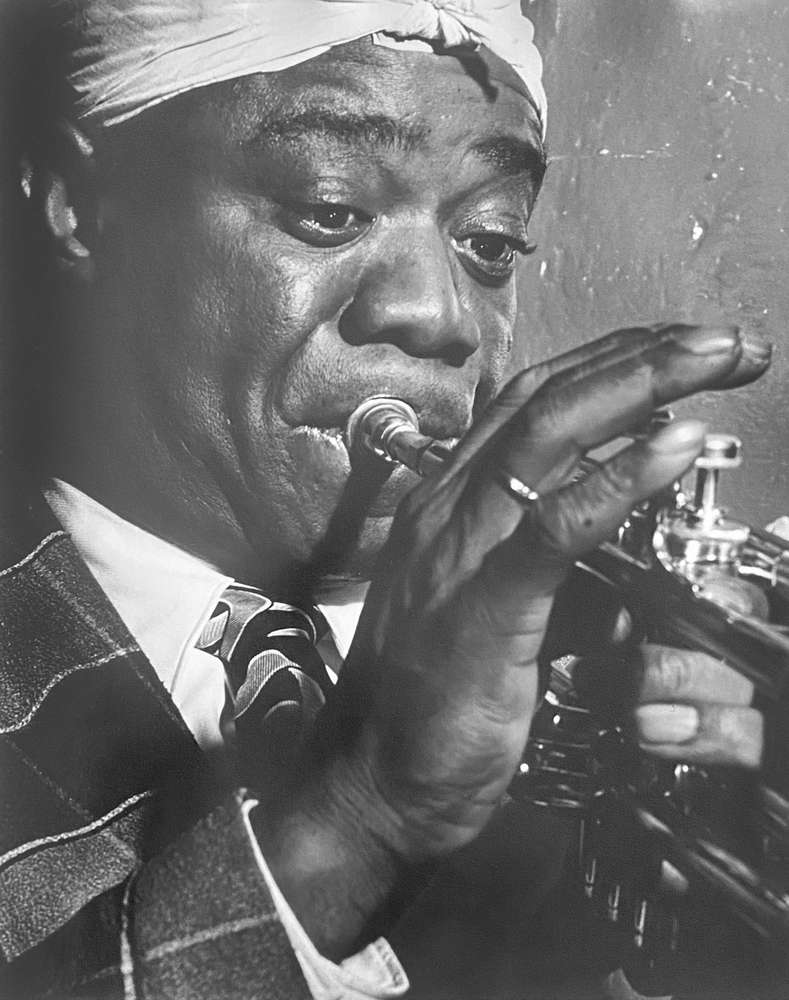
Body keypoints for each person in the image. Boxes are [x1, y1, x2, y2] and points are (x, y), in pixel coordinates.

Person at [0, 1, 771, 997]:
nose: (441, 315)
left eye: (489, 241)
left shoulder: (589, 658)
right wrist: (356, 820)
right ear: (78, 203)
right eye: (331, 209)